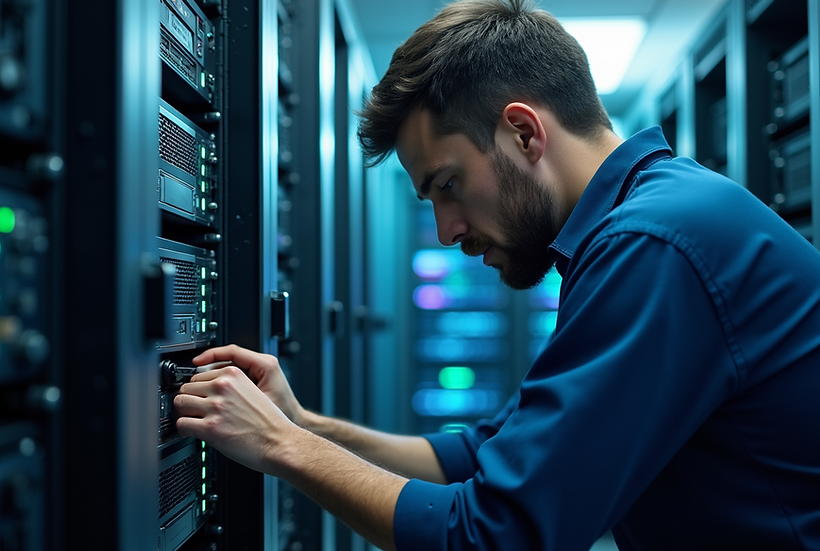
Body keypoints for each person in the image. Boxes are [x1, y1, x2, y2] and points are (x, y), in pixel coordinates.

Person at [173, 0, 820, 549]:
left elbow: (499, 533)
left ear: (523, 133)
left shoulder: (654, 245)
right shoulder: (638, 225)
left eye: (448, 185)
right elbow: (489, 451)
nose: (448, 231)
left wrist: (284, 448)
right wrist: (302, 424)